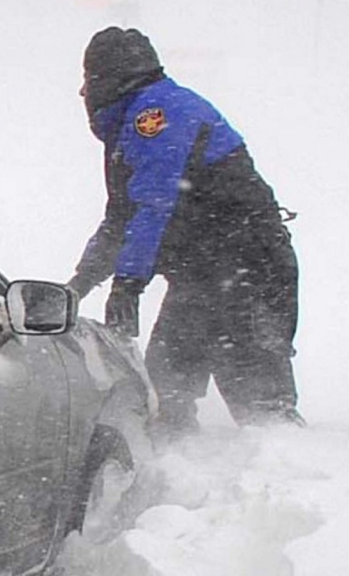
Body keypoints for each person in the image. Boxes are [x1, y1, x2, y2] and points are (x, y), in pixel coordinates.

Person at [67, 26, 298, 431]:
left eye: (88, 79)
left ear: (110, 78)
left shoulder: (154, 117)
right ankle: (185, 475)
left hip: (244, 271)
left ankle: (283, 477)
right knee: (167, 387)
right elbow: (121, 220)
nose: (83, 92)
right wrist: (77, 286)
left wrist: (128, 284)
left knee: (257, 398)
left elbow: (153, 207)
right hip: (211, 274)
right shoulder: (136, 124)